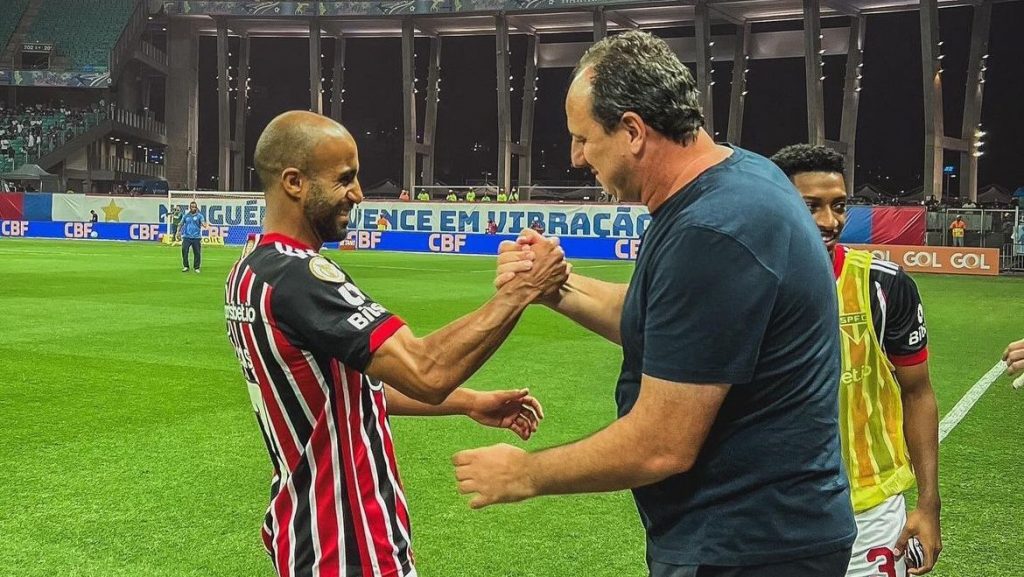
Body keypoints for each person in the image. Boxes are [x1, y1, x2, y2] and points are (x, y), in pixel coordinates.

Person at [455, 31, 856, 577]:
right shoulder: (736, 179)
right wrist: (554, 288)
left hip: (752, 545)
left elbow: (661, 445)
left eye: (583, 138)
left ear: (633, 131)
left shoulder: (713, 229)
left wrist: (525, 474)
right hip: (758, 534)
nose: (576, 157)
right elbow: (675, 326)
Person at [225, 110, 567, 577]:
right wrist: (522, 290)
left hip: (304, 526)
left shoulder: (249, 270)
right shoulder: (299, 277)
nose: (358, 194)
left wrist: (468, 401)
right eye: (345, 179)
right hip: (347, 541)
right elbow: (426, 371)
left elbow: (343, 394)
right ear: (294, 182)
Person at [771, 144, 942, 576]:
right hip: (773, 511)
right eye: (811, 206)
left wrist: (928, 503)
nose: (830, 221)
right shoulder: (747, 285)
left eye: (839, 205)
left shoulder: (883, 286)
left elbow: (917, 392)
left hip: (870, 509)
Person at [177, 201, 209, 272]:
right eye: (192, 207)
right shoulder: (186, 216)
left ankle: (196, 267)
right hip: (186, 237)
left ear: (196, 207)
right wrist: (178, 232)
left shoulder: (200, 216)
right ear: (190, 207)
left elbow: (203, 223)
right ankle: (186, 266)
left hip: (196, 237)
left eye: (194, 207)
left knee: (197, 252)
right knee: (184, 250)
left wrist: (205, 225)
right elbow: (181, 224)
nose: (193, 208)